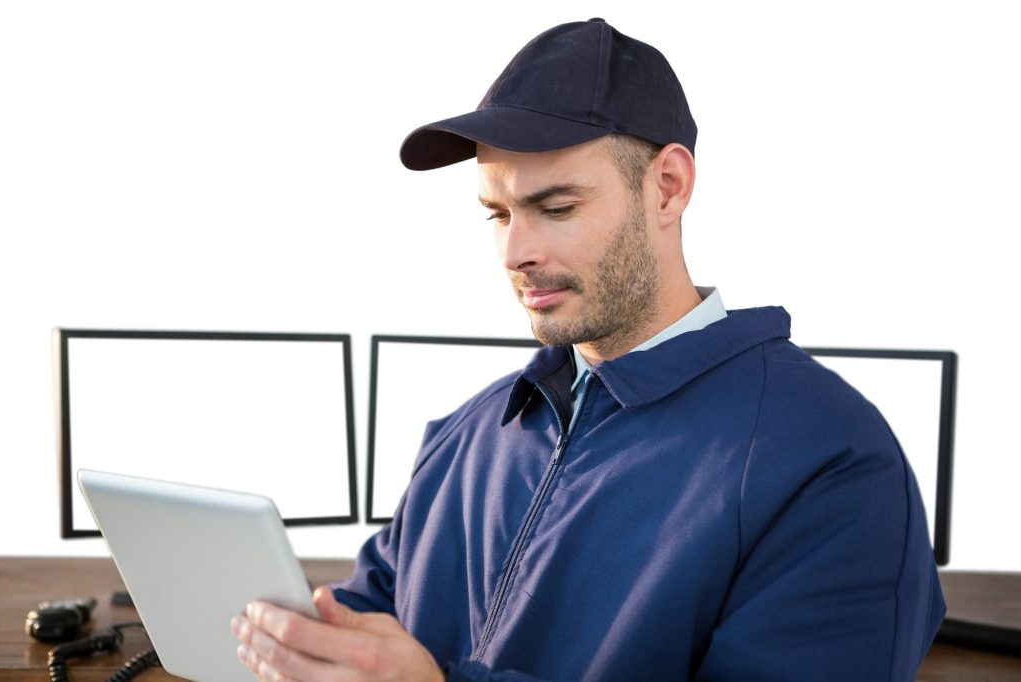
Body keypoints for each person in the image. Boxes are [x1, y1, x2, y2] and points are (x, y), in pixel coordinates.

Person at [231, 18, 945, 681]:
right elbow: (369, 622)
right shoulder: (470, 435)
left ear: (667, 187)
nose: (517, 250)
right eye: (499, 213)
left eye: (556, 207)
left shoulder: (831, 461)